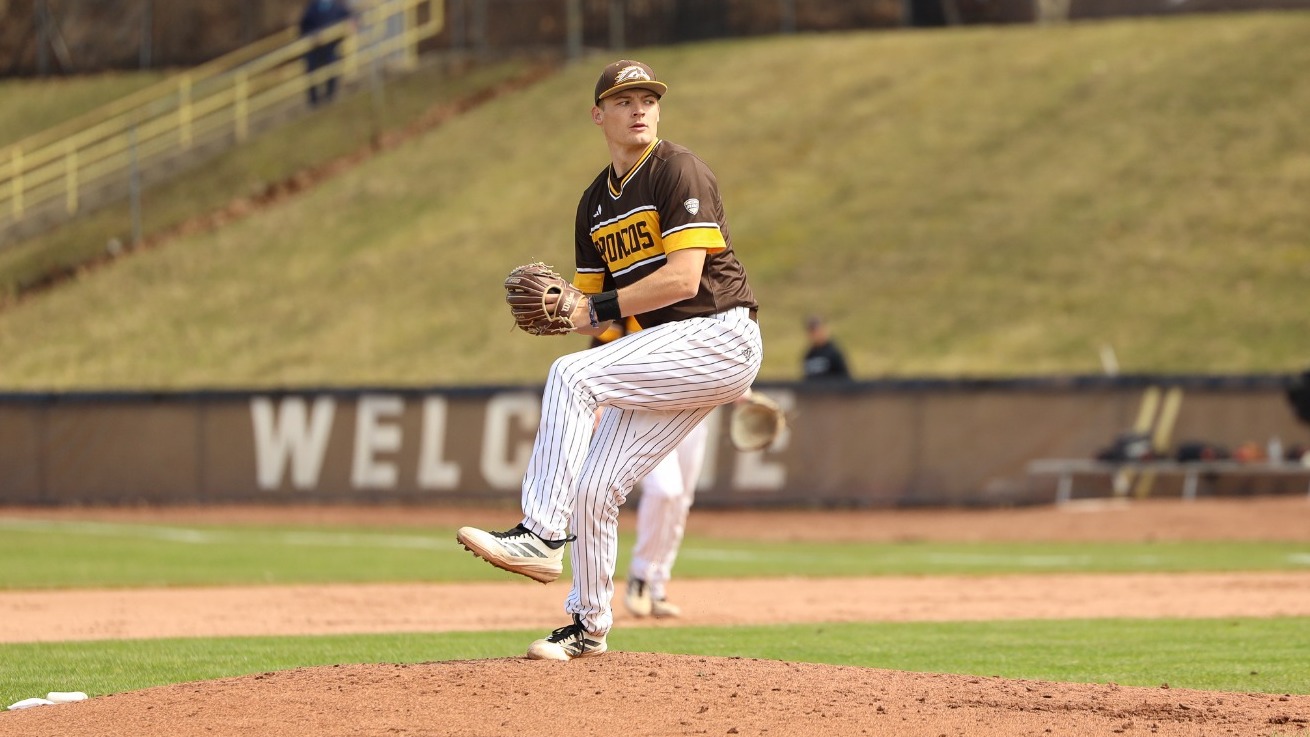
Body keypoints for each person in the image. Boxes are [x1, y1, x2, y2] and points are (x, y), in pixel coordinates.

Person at [456, 59, 762, 661]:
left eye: (648, 97)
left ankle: (540, 536)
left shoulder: (678, 169)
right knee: (596, 486)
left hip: (719, 334)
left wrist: (589, 313)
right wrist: (583, 317)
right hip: (663, 349)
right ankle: (588, 626)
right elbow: (596, 311)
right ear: (599, 114)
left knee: (570, 374)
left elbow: (681, 281)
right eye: (624, 100)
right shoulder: (594, 204)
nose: (639, 108)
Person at [591, 318, 710, 620]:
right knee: (665, 490)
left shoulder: (706, 293)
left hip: (695, 407)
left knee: (681, 501)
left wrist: (742, 390)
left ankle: (657, 585)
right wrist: (597, 398)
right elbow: (603, 342)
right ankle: (641, 577)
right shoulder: (641, 288)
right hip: (645, 406)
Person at [298, 0, 354, 107]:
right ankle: (314, 102)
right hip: (315, 49)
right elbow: (304, 26)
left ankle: (330, 96)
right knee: (312, 73)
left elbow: (349, 15)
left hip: (331, 47)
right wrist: (312, 35)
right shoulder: (313, 7)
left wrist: (351, 21)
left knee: (333, 69)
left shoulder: (336, 6)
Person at [801, 314, 850, 381]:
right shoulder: (808, 355)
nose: (815, 334)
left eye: (817, 330)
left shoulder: (834, 353)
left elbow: (846, 379)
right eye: (812, 331)